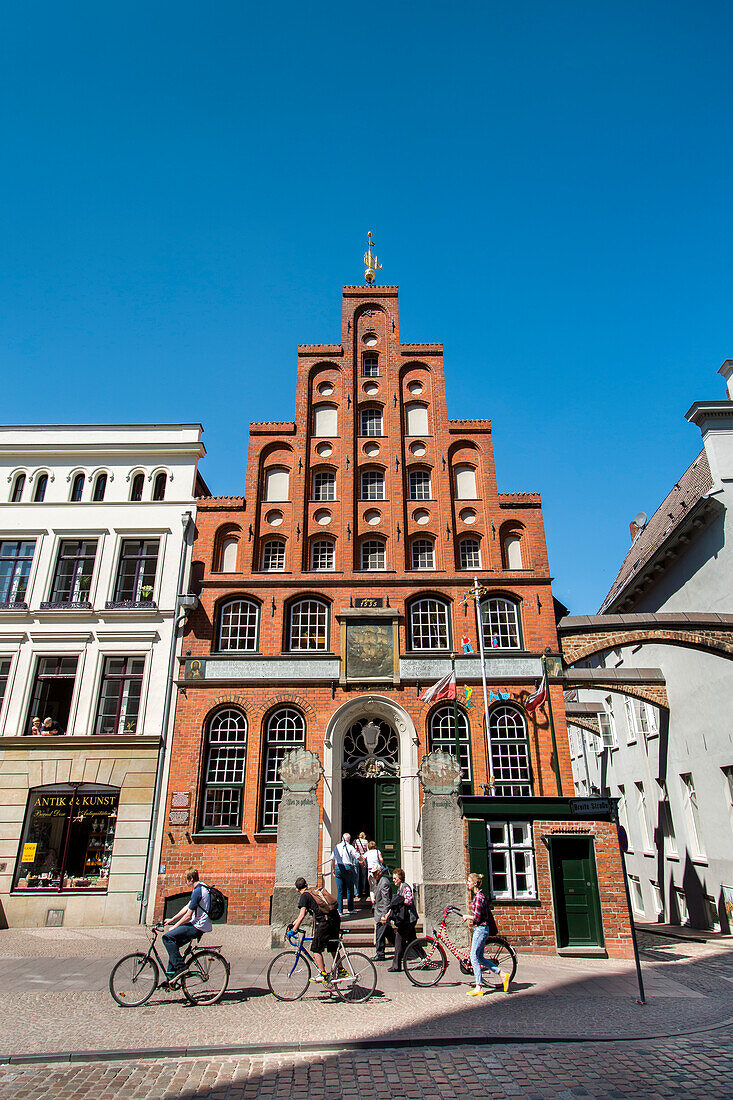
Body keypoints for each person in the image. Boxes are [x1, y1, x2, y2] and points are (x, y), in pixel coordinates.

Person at [462, 871, 510, 996]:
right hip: (483, 929)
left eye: (469, 881)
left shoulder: (478, 897)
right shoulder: (481, 895)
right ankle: (502, 974)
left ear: (474, 883)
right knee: (481, 958)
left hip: (480, 929)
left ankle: (478, 986)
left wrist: (467, 916)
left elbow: (477, 918)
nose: (467, 883)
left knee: (474, 957)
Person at [161, 867, 212, 983]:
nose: (185, 883)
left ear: (191, 879)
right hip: (199, 924)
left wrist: (175, 926)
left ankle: (180, 967)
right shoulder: (202, 887)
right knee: (173, 945)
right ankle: (171, 976)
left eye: (186, 880)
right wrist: (171, 920)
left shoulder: (198, 891)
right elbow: (187, 908)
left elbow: (188, 916)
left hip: (197, 926)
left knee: (167, 938)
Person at [290, 876, 341, 984]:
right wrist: (294, 924)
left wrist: (293, 930)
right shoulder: (313, 891)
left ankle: (323, 974)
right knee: (332, 947)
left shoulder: (304, 896)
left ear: (296, 889)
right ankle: (341, 969)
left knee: (315, 948)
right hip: (334, 919)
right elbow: (300, 917)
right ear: (306, 885)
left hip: (325, 923)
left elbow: (302, 914)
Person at [381, 868, 418, 972]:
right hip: (407, 920)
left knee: (398, 940)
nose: (394, 880)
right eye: (393, 878)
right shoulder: (400, 889)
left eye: (395, 878)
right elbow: (394, 906)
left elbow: (409, 901)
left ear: (400, 878)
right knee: (413, 940)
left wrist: (401, 901)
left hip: (409, 919)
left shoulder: (405, 888)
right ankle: (425, 959)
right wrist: (387, 915)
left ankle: (396, 965)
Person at [331, 832, 359, 914]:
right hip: (347, 868)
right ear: (349, 840)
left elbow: (332, 859)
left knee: (339, 890)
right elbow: (356, 856)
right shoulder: (350, 847)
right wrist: (363, 861)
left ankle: (340, 910)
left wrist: (333, 869)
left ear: (342, 839)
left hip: (338, 867)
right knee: (349, 889)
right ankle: (350, 909)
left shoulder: (337, 847)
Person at [372, 865, 394, 961]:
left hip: (382, 915)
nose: (373, 875)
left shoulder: (384, 882)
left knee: (380, 935)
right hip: (380, 913)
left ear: (379, 872)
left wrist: (384, 915)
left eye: (374, 873)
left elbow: (386, 901)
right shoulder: (379, 881)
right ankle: (402, 947)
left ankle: (380, 954)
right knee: (390, 935)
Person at [354, 831, 369, 899]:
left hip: (356, 859)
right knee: (364, 875)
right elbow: (367, 851)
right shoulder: (366, 842)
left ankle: (356, 893)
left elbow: (353, 850)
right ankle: (363, 889)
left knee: (356, 875)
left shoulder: (355, 841)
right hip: (363, 858)